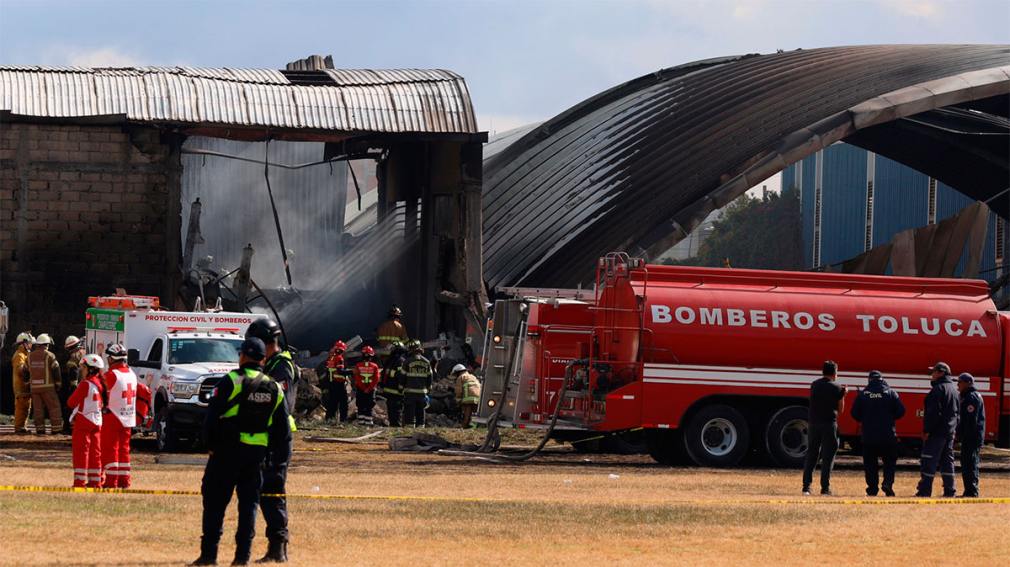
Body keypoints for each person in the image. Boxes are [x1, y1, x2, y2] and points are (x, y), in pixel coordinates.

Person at [192, 338, 291, 566]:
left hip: (226, 454)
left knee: (215, 504)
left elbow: (211, 418)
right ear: (263, 359)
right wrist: (272, 458)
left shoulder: (231, 381)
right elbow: (282, 432)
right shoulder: (274, 387)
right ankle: (242, 558)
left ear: (243, 356)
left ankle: (209, 556)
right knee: (249, 507)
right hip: (255, 458)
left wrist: (210, 446)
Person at [245, 318, 295, 563]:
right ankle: (274, 547)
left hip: (278, 440)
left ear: (266, 343)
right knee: (265, 493)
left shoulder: (282, 366)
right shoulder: (271, 364)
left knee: (273, 492)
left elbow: (276, 400)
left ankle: (278, 548)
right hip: (267, 437)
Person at [851, 370, 905, 496]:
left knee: (870, 463)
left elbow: (854, 413)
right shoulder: (891, 393)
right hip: (888, 435)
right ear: (882, 379)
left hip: (869, 435)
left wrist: (865, 419)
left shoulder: (863, 394)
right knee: (890, 462)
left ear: (869, 380)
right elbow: (901, 411)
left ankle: (872, 488)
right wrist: (890, 418)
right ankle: (887, 483)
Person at [802, 360, 846, 496]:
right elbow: (841, 409)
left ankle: (806, 487)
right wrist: (843, 394)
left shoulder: (814, 384)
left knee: (812, 454)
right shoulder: (837, 387)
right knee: (828, 456)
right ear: (834, 373)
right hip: (829, 424)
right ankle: (825, 488)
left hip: (813, 424)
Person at [915, 362, 959, 497]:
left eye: (933, 372)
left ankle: (924, 490)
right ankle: (950, 490)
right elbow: (957, 413)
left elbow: (933, 413)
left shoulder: (938, 389)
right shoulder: (954, 390)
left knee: (929, 460)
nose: (932, 375)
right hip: (949, 432)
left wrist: (927, 430)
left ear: (941, 372)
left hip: (936, 433)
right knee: (947, 462)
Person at [101, 343, 139, 488]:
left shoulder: (111, 375)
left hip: (112, 416)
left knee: (110, 449)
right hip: (128, 416)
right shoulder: (131, 374)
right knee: (124, 450)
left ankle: (111, 481)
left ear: (111, 359)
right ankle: (124, 481)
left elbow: (99, 392)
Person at [67, 354, 107, 488]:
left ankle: (79, 482)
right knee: (95, 453)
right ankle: (95, 481)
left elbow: (71, 402)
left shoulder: (85, 384)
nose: (81, 371)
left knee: (81, 452)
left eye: (83, 368)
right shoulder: (101, 384)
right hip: (97, 421)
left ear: (90, 369)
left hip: (84, 421)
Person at [24, 333, 63, 435]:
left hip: (34, 388)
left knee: (38, 410)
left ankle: (40, 429)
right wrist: (58, 383)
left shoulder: (30, 356)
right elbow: (56, 369)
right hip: (48, 387)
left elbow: (25, 370)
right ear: (46, 344)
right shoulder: (50, 355)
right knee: (54, 407)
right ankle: (56, 429)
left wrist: (27, 383)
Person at [956, 372, 985, 498]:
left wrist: (962, 435)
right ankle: (969, 490)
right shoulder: (969, 396)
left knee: (970, 463)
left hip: (971, 437)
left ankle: (971, 491)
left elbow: (970, 420)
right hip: (971, 436)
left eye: (960, 382)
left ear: (968, 383)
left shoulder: (971, 397)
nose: (958, 385)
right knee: (967, 462)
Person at [401, 340, 433, 428]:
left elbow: (402, 376)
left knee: (410, 410)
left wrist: (401, 387)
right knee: (421, 410)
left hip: (410, 392)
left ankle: (409, 427)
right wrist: (429, 388)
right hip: (422, 392)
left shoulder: (407, 362)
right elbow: (430, 377)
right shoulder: (426, 362)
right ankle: (420, 427)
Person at [61, 335, 86, 433]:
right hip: (86, 384)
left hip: (77, 385)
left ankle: (68, 428)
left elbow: (73, 371)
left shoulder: (74, 356)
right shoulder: (84, 352)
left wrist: (73, 385)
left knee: (70, 406)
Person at [11, 332, 34, 434]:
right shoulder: (19, 355)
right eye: (29, 343)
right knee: (21, 408)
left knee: (26, 408)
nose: (31, 345)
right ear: (24, 343)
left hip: (24, 386)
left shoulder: (24, 354)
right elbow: (21, 370)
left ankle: (22, 427)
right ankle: (19, 427)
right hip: (21, 386)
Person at [381, 342, 407, 427]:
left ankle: (396, 427)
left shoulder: (399, 361)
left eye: (392, 349)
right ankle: (394, 427)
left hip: (395, 391)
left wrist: (401, 388)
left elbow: (401, 376)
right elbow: (384, 373)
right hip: (392, 391)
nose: (391, 351)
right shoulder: (392, 360)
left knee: (396, 411)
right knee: (392, 411)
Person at [353, 346, 380, 426]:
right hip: (370, 390)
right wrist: (369, 388)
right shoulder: (375, 366)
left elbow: (357, 378)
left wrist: (363, 388)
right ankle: (368, 422)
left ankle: (361, 422)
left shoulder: (358, 365)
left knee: (360, 405)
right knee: (369, 405)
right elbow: (376, 379)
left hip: (360, 389)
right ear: (371, 356)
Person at [323, 340, 350, 422]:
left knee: (332, 402)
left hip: (331, 383)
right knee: (343, 403)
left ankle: (329, 419)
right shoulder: (339, 358)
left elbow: (327, 371)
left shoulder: (330, 358)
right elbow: (340, 371)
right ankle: (343, 420)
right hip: (339, 383)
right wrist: (352, 372)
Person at [451, 364, 481, 428]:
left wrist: (458, 401)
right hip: (478, 397)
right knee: (474, 413)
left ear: (458, 372)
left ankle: (464, 425)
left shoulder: (460, 377)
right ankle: (473, 425)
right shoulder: (473, 376)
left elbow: (459, 391)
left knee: (466, 412)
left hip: (468, 398)